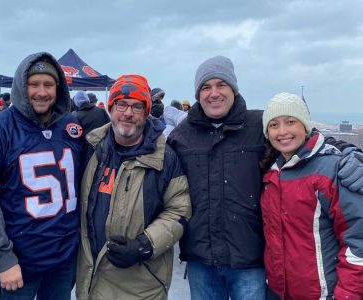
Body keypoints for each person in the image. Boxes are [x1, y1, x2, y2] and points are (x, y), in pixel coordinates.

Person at [167, 55, 363, 300]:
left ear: (234, 89)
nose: (214, 93)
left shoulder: (257, 124)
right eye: (206, 87)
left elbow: (303, 138)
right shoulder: (181, 136)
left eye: (221, 85)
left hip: (250, 260)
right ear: (198, 94)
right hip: (201, 260)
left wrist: (349, 153)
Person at [0, 52, 83, 300]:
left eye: (48, 84)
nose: (41, 92)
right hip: (19, 261)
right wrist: (2, 257)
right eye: (34, 84)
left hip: (64, 257)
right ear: (21, 86)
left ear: (58, 88)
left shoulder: (71, 128)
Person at [76, 74, 191, 300]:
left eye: (137, 107)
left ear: (147, 112)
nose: (128, 113)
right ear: (110, 108)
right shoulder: (90, 148)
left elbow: (180, 210)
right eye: (121, 104)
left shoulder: (165, 158)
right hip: (90, 280)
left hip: (140, 285)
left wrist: (144, 245)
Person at [260, 92, 363, 299]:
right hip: (278, 292)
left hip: (323, 293)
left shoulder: (332, 169)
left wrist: (348, 294)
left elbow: (357, 241)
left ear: (305, 126)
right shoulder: (271, 172)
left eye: (291, 122)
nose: (282, 132)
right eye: (274, 125)